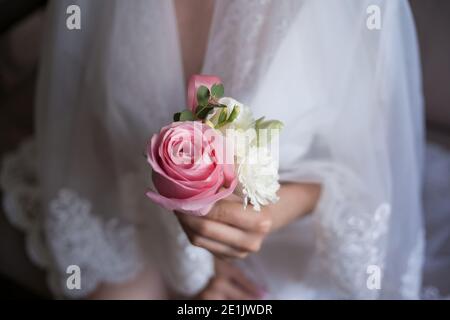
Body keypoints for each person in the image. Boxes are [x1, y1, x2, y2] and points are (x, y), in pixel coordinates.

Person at [1, 0, 425, 299]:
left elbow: (367, 171)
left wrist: (270, 213)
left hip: (291, 236)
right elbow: (88, 127)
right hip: (138, 211)